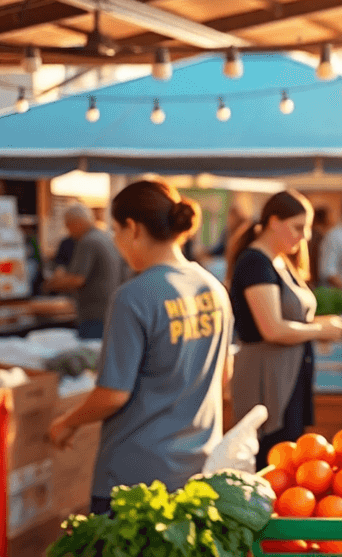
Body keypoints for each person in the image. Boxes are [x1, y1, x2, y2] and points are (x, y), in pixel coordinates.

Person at [47, 180, 233, 516]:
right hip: (198, 473)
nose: (117, 244)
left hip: (134, 480)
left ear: (133, 228)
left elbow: (112, 394)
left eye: (116, 232)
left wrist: (67, 422)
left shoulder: (133, 296)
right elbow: (223, 379)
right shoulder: (214, 289)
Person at [226, 190, 342, 470]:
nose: (304, 236)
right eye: (298, 227)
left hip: (287, 380)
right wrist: (319, 330)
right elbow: (273, 329)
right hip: (266, 383)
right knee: (271, 463)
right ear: (273, 221)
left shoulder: (281, 261)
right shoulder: (256, 263)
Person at [43, 202, 127, 340]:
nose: (68, 231)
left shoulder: (88, 241)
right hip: (110, 310)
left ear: (76, 223)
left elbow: (77, 279)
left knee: (90, 354)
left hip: (93, 313)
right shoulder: (107, 237)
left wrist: (49, 285)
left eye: (68, 225)